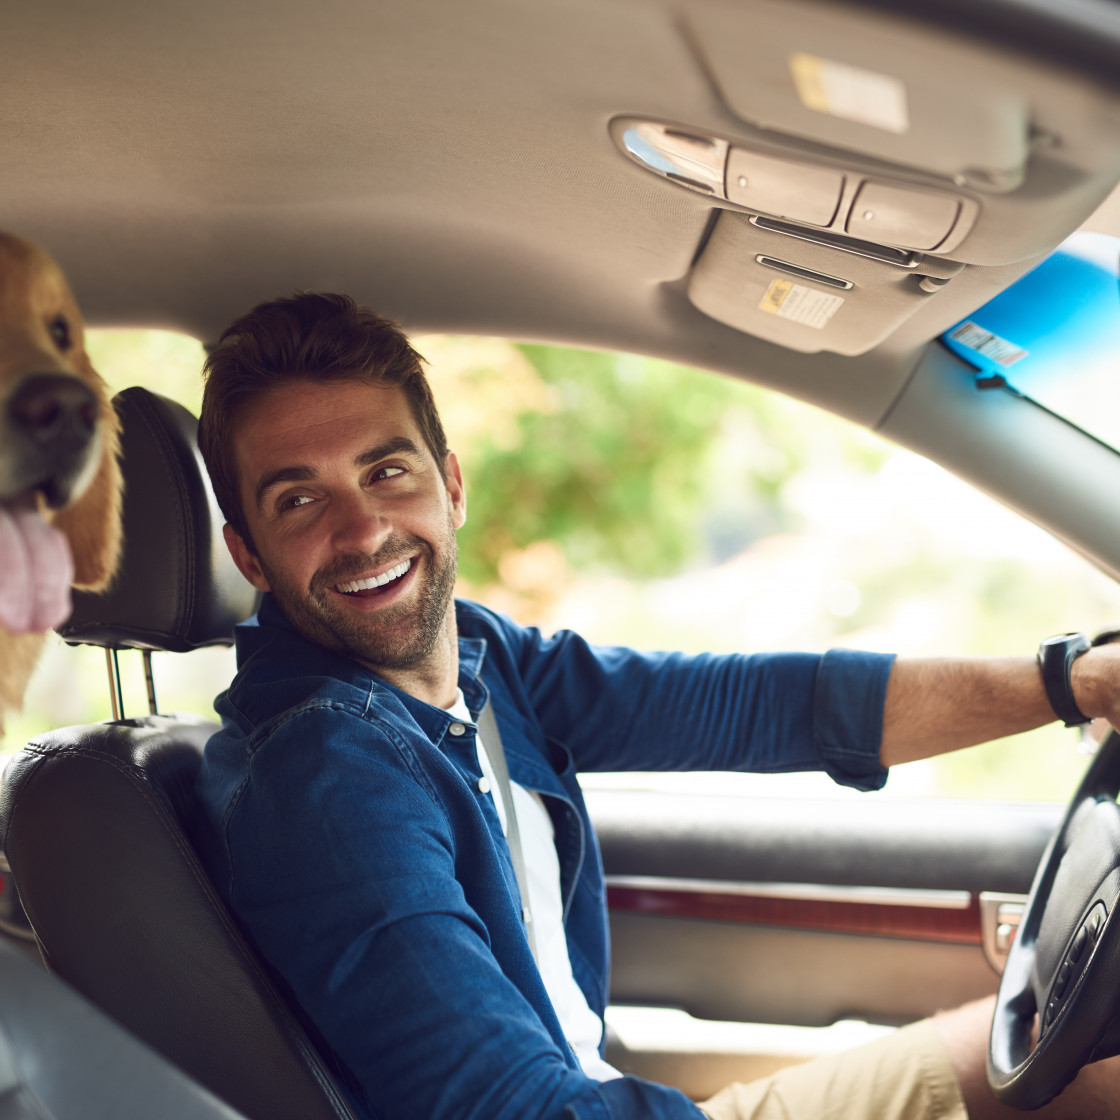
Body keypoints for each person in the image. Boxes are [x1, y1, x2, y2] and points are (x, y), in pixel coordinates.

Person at [194, 291, 1120, 1120]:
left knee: (1070, 1061)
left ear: (452, 484)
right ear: (247, 555)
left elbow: (763, 706)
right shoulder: (324, 776)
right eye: (299, 499)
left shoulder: (477, 661)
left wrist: (1068, 682)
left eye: (386, 472)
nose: (361, 531)